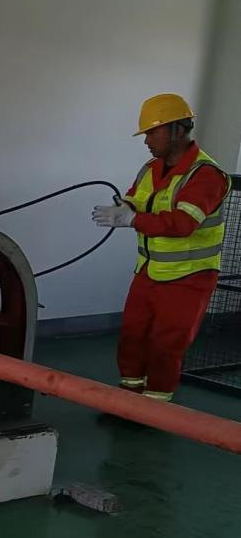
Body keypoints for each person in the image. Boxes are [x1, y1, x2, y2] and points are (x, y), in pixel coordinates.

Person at [92, 93, 231, 401]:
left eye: (153, 132)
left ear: (178, 130)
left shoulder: (206, 175)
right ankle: (129, 400)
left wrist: (133, 220)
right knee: (132, 336)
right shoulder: (150, 168)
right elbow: (136, 198)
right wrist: (124, 207)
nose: (146, 141)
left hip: (189, 277)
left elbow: (183, 224)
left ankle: (155, 408)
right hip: (149, 270)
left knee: (166, 345)